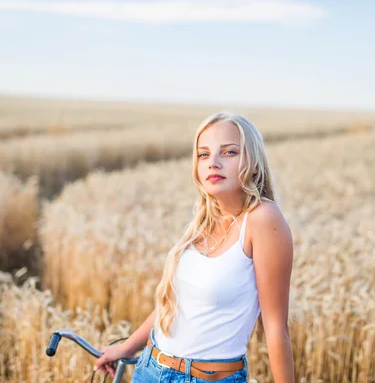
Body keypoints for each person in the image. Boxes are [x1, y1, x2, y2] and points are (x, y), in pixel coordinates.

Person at [94, 112, 295, 382]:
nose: (213, 163)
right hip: (150, 369)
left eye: (229, 152)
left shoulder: (263, 220)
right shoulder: (204, 220)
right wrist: (127, 347)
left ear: (255, 164)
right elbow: (174, 304)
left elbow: (275, 327)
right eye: (203, 155)